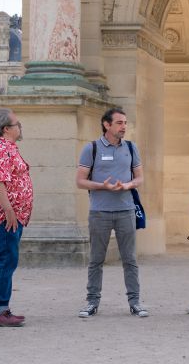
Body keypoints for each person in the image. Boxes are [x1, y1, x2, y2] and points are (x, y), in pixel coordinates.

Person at [76, 107, 149, 318]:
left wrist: (128, 186)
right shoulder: (91, 148)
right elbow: (80, 181)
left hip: (126, 210)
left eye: (125, 123)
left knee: (130, 259)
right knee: (96, 259)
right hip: (99, 212)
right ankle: (92, 302)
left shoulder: (132, 148)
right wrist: (102, 186)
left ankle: (135, 302)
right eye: (119, 123)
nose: (123, 127)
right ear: (107, 125)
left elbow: (140, 178)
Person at [0, 108, 34, 327]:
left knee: (0, 260)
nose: (20, 127)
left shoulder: (7, 148)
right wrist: (9, 210)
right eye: (17, 124)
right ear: (6, 129)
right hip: (5, 217)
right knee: (5, 260)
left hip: (9, 215)